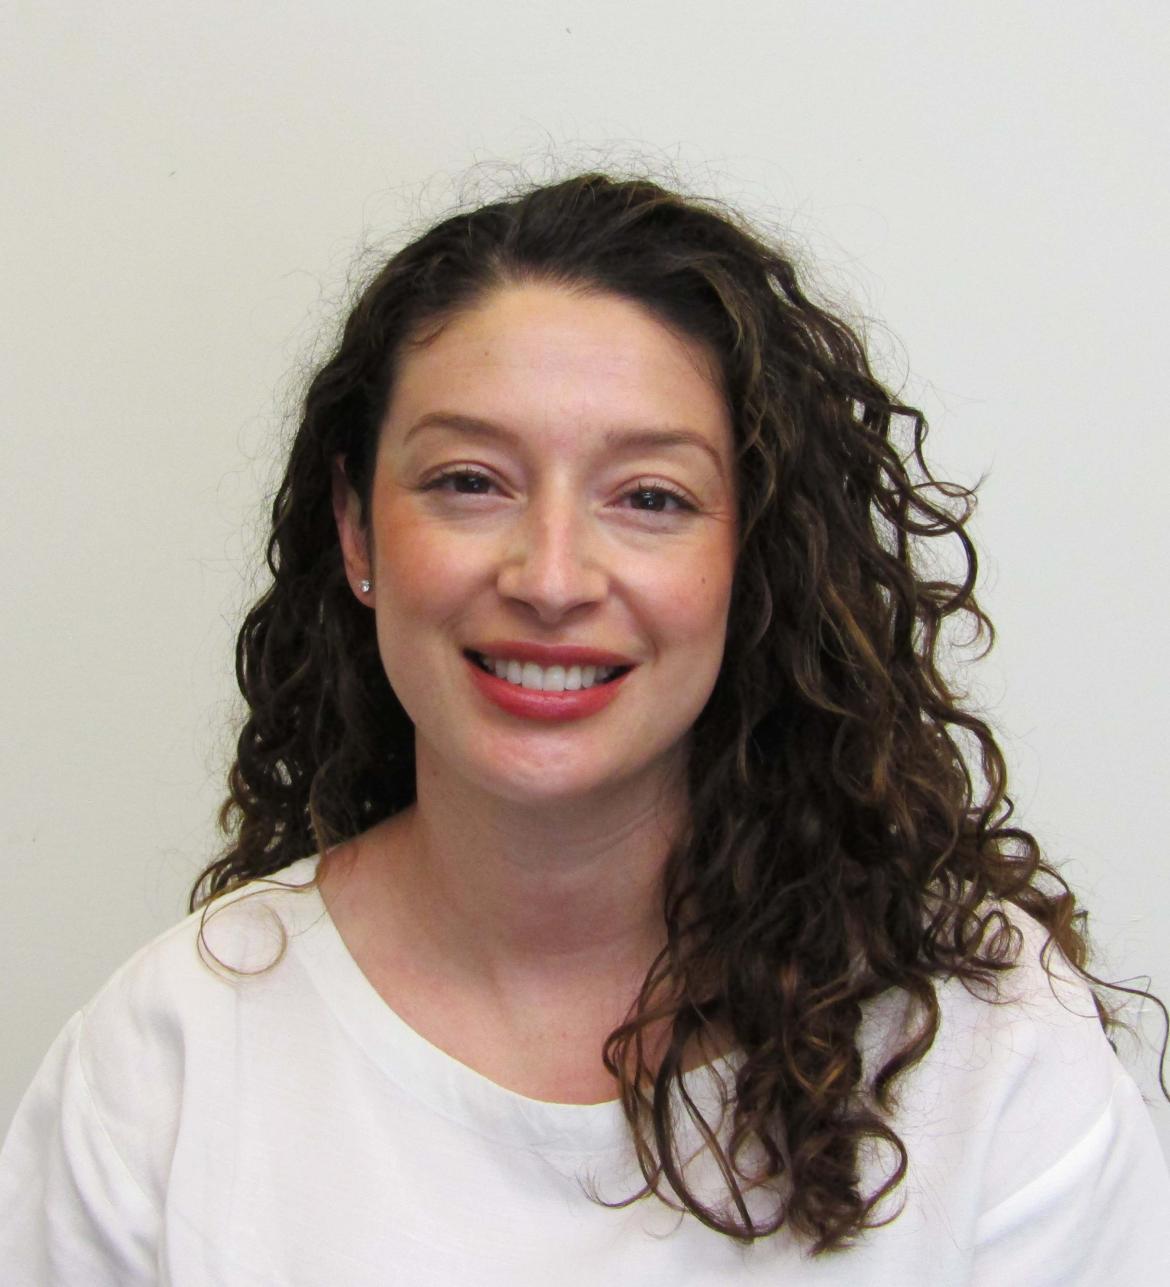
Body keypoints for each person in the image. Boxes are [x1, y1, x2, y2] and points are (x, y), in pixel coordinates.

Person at [2, 172, 1168, 1285]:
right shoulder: (169, 1063)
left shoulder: (987, 1057)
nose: (551, 577)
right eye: (470, 480)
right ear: (357, 534)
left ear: (748, 556)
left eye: (650, 498)